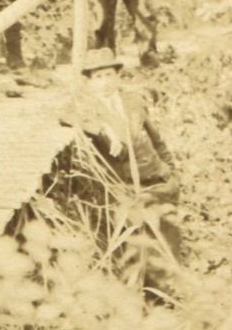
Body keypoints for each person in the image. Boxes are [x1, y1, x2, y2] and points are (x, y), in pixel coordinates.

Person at [62, 47, 185, 301]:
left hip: (161, 184)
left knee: (171, 247)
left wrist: (172, 173)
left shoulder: (133, 101)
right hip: (130, 191)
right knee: (138, 251)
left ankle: (173, 302)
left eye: (109, 75)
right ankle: (147, 306)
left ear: (118, 76)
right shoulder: (89, 109)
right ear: (90, 83)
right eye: (98, 78)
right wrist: (102, 129)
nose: (105, 83)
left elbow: (157, 140)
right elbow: (65, 113)